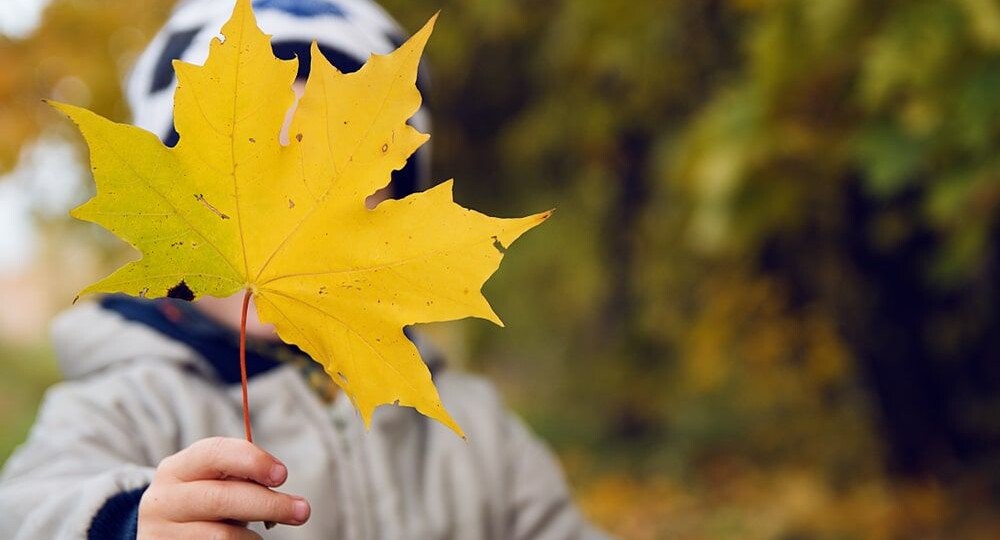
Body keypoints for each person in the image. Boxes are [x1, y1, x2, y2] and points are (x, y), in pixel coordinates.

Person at [0, 1, 608, 539]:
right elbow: (26, 510)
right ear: (174, 209)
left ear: (397, 210)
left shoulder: (469, 426)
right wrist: (129, 524)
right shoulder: (128, 404)